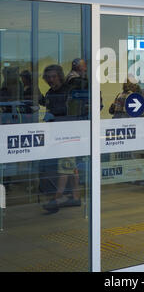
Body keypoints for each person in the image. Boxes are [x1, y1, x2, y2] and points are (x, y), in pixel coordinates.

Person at [41, 64, 81, 213]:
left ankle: (58, 197)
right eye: (48, 77)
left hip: (68, 133)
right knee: (71, 165)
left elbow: (72, 112)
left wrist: (55, 116)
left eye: (54, 76)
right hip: (56, 133)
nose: (51, 79)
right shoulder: (50, 93)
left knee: (65, 165)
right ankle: (75, 195)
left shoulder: (68, 91)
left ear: (59, 76)